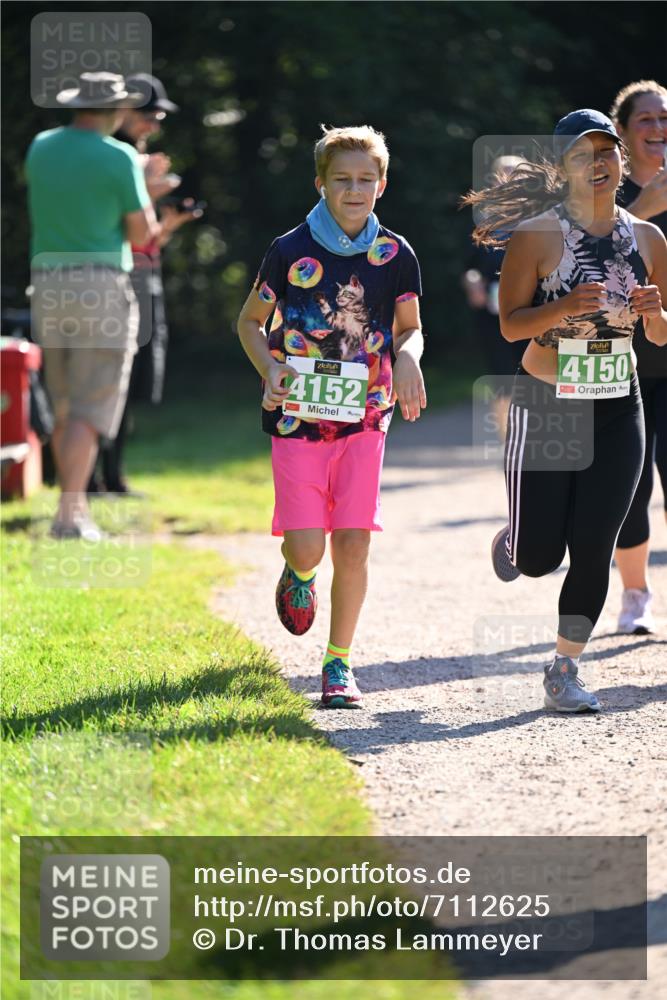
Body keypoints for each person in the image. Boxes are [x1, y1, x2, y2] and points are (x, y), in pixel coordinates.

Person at [464, 109, 667, 712]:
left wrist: (655, 312)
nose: (598, 163)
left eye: (606, 151)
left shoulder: (650, 240)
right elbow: (509, 325)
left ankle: (564, 668)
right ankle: (516, 541)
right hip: (548, 402)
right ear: (563, 169)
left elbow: (660, 337)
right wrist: (564, 307)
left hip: (617, 404)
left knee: (595, 545)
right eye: (583, 155)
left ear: (621, 161)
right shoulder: (538, 235)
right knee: (539, 558)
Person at [237, 125, 426, 708]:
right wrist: (270, 369)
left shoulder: (394, 254)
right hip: (298, 420)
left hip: (367, 418)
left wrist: (409, 359)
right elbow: (249, 323)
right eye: (342, 179)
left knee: (353, 543)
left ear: (382, 184)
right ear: (320, 183)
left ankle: (338, 663)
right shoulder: (288, 249)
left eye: (365, 180)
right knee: (308, 547)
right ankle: (297, 574)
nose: (354, 189)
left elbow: (410, 329)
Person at [26, 72, 159, 539]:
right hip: (100, 285)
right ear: (116, 110)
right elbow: (142, 234)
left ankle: (74, 507)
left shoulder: (41, 146)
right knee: (91, 407)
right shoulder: (120, 157)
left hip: (45, 282)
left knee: (64, 405)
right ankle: (69, 516)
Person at [88, 73, 200, 495]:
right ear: (123, 110)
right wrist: (147, 188)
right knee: (106, 379)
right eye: (149, 115)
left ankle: (112, 475)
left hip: (142, 275)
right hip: (114, 278)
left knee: (131, 380)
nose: (154, 125)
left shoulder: (135, 158)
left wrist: (168, 220)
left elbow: (147, 239)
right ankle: (91, 478)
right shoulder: (112, 159)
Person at [610, 81, 667, 635]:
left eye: (665, 118)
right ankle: (634, 596)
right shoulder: (606, 194)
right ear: (623, 133)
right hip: (622, 367)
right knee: (631, 487)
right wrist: (647, 208)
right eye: (645, 120)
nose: (658, 128)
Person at [461, 155, 525, 440]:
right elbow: (468, 267)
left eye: (517, 176)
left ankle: (534, 443)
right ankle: (508, 445)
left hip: (532, 314)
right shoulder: (483, 223)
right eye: (504, 175)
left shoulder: (544, 221)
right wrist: (472, 282)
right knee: (502, 379)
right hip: (493, 316)